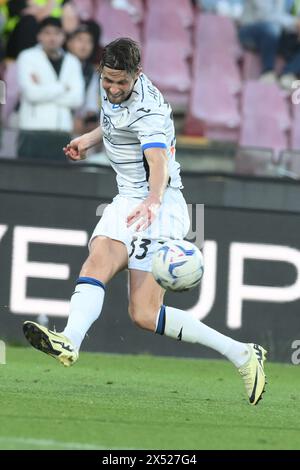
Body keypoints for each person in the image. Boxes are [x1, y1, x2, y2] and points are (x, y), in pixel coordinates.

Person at [22, 37, 267, 406]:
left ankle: (242, 353)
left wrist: (153, 199)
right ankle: (69, 339)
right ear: (102, 71)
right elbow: (113, 121)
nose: (114, 89)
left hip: (160, 205)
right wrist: (89, 140)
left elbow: (158, 162)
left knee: (144, 314)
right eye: (108, 81)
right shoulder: (110, 85)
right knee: (98, 259)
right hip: (127, 200)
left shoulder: (150, 111)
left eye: (122, 82)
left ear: (138, 75)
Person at [16, 16, 84, 160]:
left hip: (62, 132)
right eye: (47, 33)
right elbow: (31, 94)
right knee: (26, 178)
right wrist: (63, 87)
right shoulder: (27, 57)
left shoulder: (72, 62)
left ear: (63, 36)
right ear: (39, 35)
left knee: (59, 180)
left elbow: (77, 99)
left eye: (57, 33)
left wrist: (43, 88)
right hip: (32, 131)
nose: (52, 38)